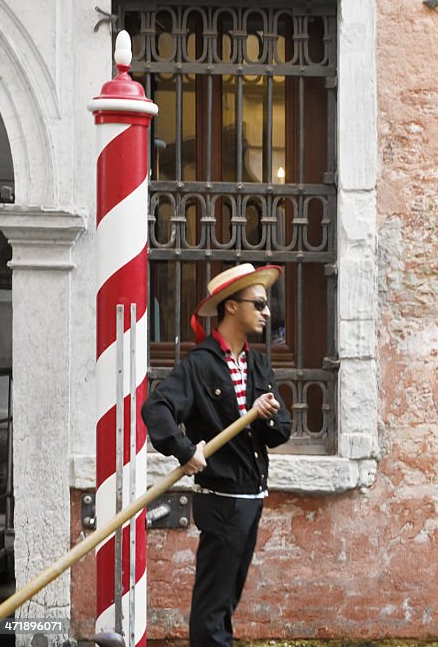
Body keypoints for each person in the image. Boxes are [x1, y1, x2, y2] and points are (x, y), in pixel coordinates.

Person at [142, 263, 292, 647]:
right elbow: (156, 409)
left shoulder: (257, 364)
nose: (267, 311)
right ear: (230, 307)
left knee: (226, 602)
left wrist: (265, 417)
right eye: (258, 303)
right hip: (222, 502)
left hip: (251, 498)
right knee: (213, 608)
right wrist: (184, 450)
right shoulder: (199, 365)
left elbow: (282, 432)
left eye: (267, 304)